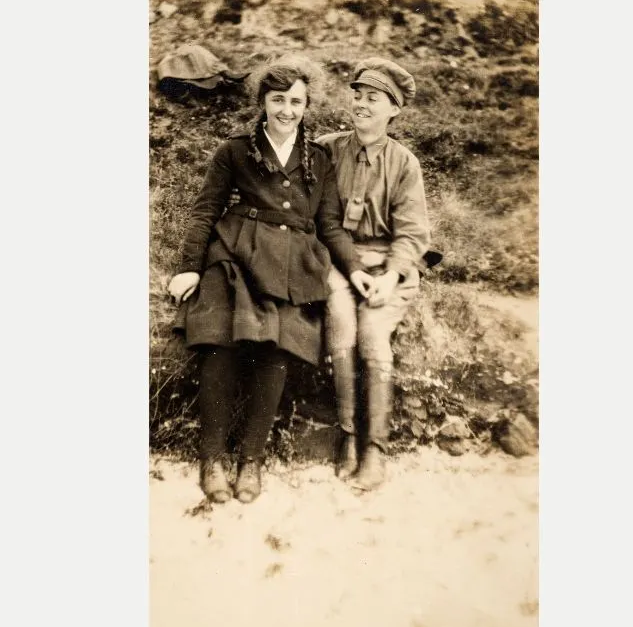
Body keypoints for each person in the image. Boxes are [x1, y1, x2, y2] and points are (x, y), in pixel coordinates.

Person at [167, 55, 371, 504]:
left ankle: (251, 461)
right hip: (237, 252)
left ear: (307, 105)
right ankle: (211, 458)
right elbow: (206, 210)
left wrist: (355, 268)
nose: (287, 110)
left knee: (277, 346)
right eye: (278, 100)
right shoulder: (236, 150)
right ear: (263, 101)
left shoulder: (319, 158)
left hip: (294, 264)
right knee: (218, 340)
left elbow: (329, 224)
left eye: (296, 102)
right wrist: (189, 266)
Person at [317, 58, 435, 491]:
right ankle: (347, 436)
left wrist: (391, 275)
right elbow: (323, 219)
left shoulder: (404, 163)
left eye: (374, 99)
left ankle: (375, 448)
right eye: (358, 96)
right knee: (341, 322)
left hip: (387, 264)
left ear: (394, 110)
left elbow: (412, 233)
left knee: (372, 333)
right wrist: (347, 266)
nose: (361, 105)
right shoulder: (327, 149)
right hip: (337, 259)